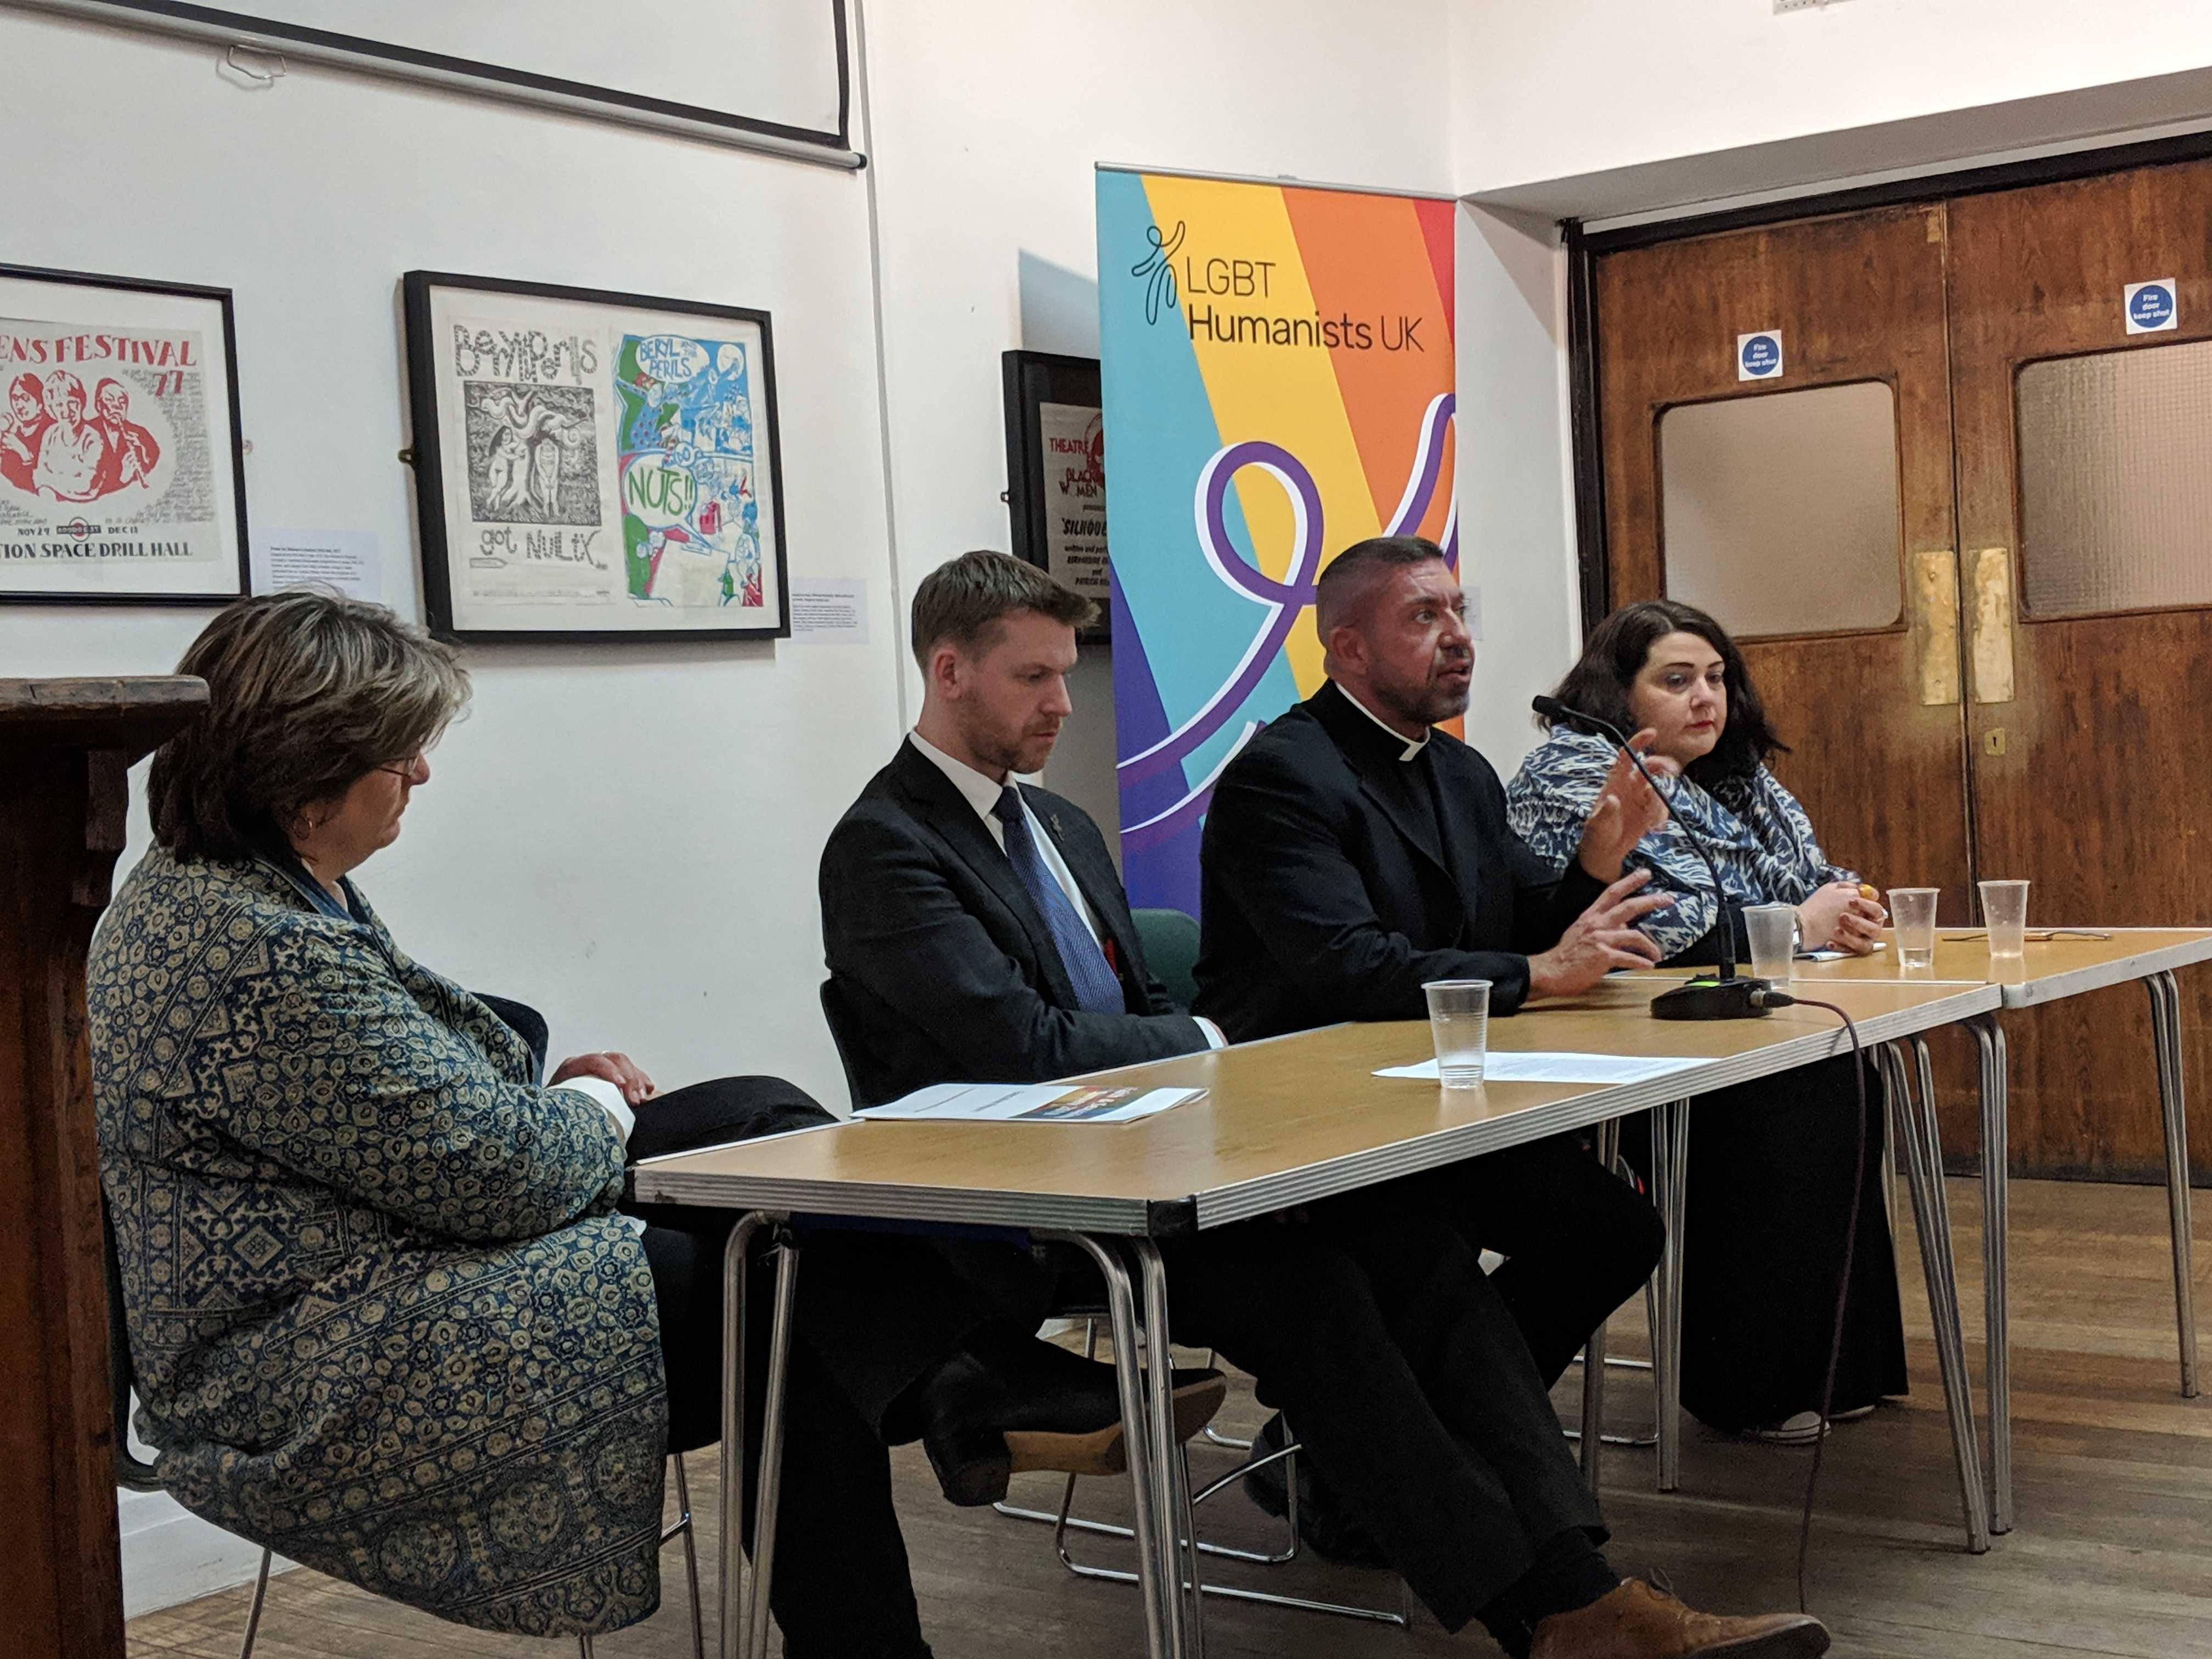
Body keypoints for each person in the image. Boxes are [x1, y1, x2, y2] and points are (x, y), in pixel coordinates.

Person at [89, 590, 1209, 1657]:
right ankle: (962, 1379)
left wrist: (549, 1098)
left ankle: (963, 1384)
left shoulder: (244, 889)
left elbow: (389, 1106)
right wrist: (579, 1101)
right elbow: (498, 1173)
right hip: (326, 1356)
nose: (420, 772)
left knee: (754, 1117)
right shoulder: (255, 945)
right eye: (398, 755)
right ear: (302, 779)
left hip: (393, 1260)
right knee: (780, 1283)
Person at [820, 549, 1827, 1659]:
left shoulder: (1058, 826)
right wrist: (1219, 1042)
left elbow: (1140, 1007)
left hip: (1179, 1147)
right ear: (949, 671)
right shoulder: (885, 845)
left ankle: (1570, 1594)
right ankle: (1553, 1607)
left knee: (1417, 1253)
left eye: (1066, 672)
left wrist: (1589, 869)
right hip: (1034, 1200)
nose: (1064, 700)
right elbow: (1025, 1050)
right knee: (1326, 1288)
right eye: (1035, 677)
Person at [1192, 534, 1672, 1385]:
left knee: (1615, 1231)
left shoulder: (1460, 770)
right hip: (1320, 1116)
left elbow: (1523, 926)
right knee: (1434, 1257)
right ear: (1349, 649)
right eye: (1424, 617)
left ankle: (1435, 1425)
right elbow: (1349, 968)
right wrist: (1540, 974)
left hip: (1438, 1101)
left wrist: (1596, 863)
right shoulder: (1283, 777)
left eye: (1459, 611)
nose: (1458, 637)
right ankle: (1426, 1433)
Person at [1506, 599, 1906, 1441]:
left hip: (1718, 1025)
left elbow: (1814, 876)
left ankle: (1840, 1366)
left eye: (1718, 678)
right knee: (1782, 1098)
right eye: (1678, 680)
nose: (1706, 699)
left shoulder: (1731, 775)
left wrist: (1848, 908)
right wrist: (1799, 925)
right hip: (1609, 1043)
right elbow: (1657, 926)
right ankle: (1747, 1385)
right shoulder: (1578, 770)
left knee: (1838, 1070)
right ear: (1618, 692)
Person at [33, 366, 105, 501]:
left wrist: (49, 481)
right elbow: (37, 478)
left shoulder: (93, 438)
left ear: (82, 403)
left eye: (72, 403)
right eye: (59, 405)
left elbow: (85, 485)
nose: (66, 412)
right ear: (51, 409)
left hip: (87, 505)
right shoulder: (50, 434)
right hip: (50, 502)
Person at [88, 376, 161, 494]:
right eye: (110, 400)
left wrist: (143, 455)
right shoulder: (87, 431)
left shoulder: (140, 433)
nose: (117, 406)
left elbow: (154, 459)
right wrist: (122, 479)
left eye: (122, 402)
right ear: (99, 405)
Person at [1, 370, 48, 492]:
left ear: (40, 403)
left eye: (25, 398)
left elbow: (43, 484)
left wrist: (24, 453)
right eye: (15, 398)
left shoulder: (52, 432)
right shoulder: (14, 435)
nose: (19, 405)